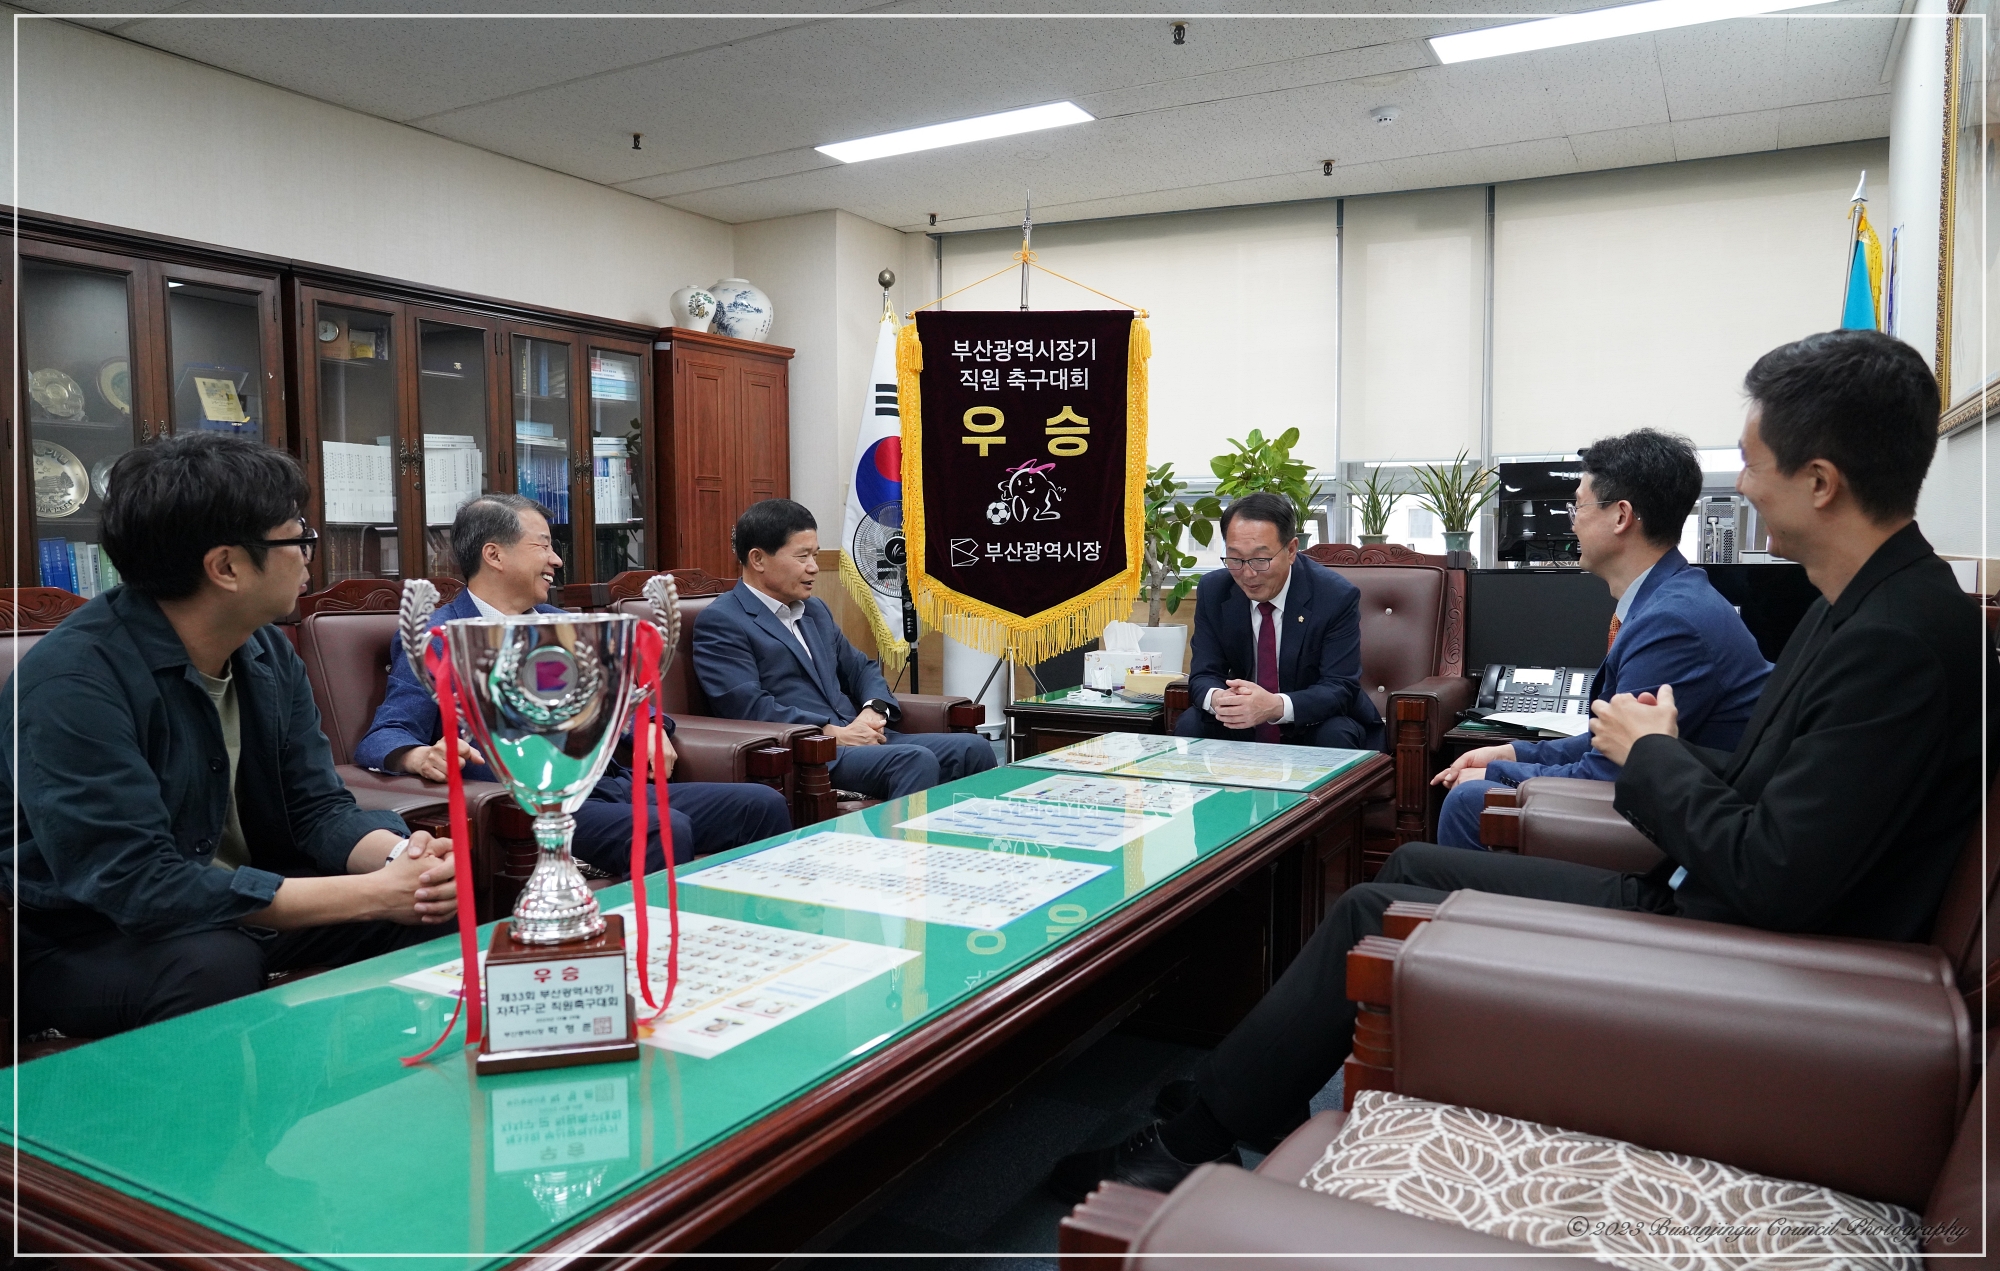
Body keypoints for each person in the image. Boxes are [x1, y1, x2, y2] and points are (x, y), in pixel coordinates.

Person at [1049, 328, 1998, 1203]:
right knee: (1411, 868)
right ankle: (1236, 1091)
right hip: (1717, 900)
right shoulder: (1865, 610)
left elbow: (1779, 873)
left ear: (1821, 480)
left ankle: (1202, 1132)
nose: (1740, 487)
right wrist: (1660, 753)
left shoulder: (1899, 641)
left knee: (1376, 904)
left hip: (1737, 953)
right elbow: (1772, 791)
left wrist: (1655, 757)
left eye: (1750, 464)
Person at [4, 434, 460, 1039]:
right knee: (211, 964)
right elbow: (138, 885)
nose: (309, 558)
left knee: (438, 911)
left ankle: (371, 1101)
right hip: (87, 936)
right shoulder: (73, 682)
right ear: (226, 566)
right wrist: (375, 895)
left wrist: (407, 865)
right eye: (298, 540)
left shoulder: (265, 649)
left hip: (242, 907)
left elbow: (317, 807)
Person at [355, 494, 790, 872]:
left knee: (760, 805)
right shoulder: (440, 637)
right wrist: (418, 756)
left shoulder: (565, 625)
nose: (556, 560)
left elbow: (626, 697)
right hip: (527, 804)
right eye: (543, 545)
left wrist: (652, 729)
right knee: (663, 828)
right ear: (495, 555)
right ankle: (657, 956)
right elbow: (385, 734)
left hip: (609, 785)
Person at [1431, 430, 1771, 848]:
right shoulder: (1669, 599)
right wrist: (1512, 754)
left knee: (1470, 801)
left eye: (1578, 505)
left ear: (1621, 516)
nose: (1572, 520)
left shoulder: (1672, 623)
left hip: (1672, 845)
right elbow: (1606, 742)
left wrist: (1499, 775)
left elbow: (1609, 773)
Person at [693, 498, 997, 800]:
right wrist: (831, 733)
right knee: (914, 760)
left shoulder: (814, 610)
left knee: (974, 749)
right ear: (758, 559)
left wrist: (872, 711)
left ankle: (967, 845)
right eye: (802, 557)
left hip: (860, 735)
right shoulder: (722, 620)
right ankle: (906, 849)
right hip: (811, 752)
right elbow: (747, 707)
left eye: (814, 554)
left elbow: (861, 668)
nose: (813, 567)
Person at [1178, 491, 1384, 750]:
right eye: (1235, 559)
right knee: (1192, 724)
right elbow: (1203, 674)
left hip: (1313, 722)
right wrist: (1220, 699)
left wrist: (1274, 706)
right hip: (1243, 724)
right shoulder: (1214, 590)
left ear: (1291, 550)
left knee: (1335, 734)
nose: (1248, 573)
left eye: (1261, 559)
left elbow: (1340, 687)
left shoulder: (1334, 596)